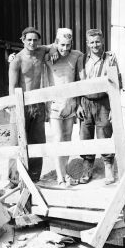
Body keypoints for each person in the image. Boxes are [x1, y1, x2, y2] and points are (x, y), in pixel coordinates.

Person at [76, 29, 119, 185]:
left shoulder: (110, 59)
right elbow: (77, 84)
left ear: (103, 42)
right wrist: (78, 104)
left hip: (103, 101)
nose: (95, 45)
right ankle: (87, 168)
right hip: (85, 102)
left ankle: (108, 166)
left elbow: (116, 84)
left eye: (97, 42)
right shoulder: (81, 60)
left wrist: (114, 107)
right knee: (85, 135)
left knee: (104, 133)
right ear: (87, 44)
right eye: (92, 42)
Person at [45, 28, 84, 187]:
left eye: (68, 45)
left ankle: (65, 172)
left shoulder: (76, 55)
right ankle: (60, 177)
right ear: (56, 42)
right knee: (58, 139)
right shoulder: (48, 55)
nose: (65, 49)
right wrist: (52, 47)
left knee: (67, 139)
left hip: (70, 104)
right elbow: (33, 50)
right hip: (54, 105)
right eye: (61, 45)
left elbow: (80, 78)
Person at [8, 27, 48, 182]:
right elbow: (12, 86)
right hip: (21, 104)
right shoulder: (16, 60)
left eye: (35, 40)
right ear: (23, 40)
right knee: (17, 142)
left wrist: (54, 50)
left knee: (38, 140)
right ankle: (14, 179)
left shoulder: (41, 52)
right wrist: (14, 107)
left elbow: (54, 45)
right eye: (29, 40)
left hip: (37, 104)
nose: (32, 43)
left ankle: (35, 176)